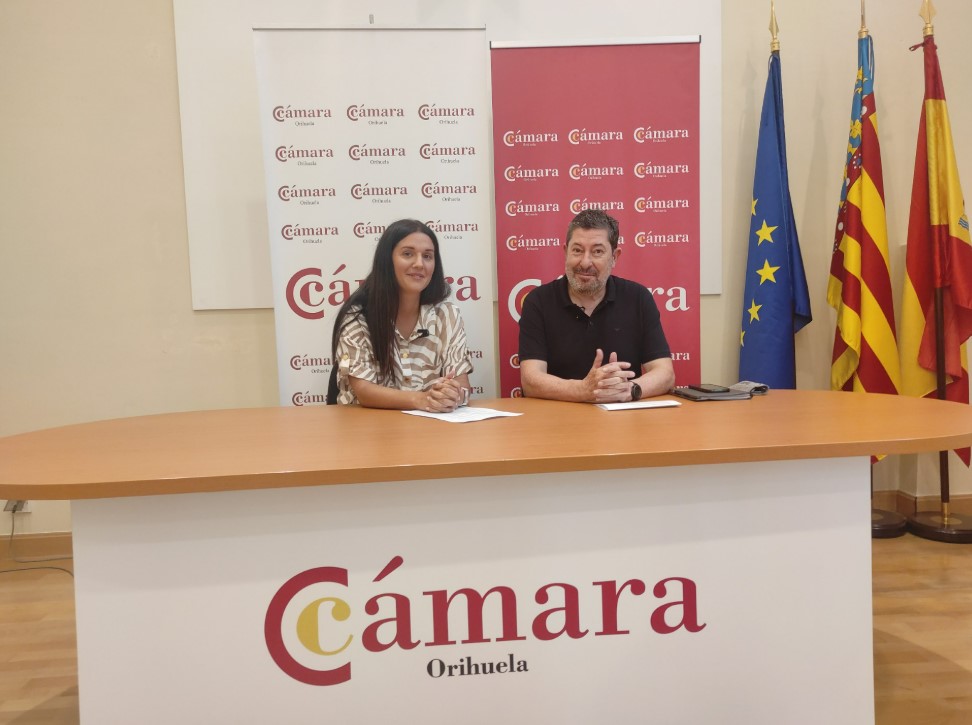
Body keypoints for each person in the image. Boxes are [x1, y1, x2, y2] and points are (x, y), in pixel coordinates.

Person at [518, 208, 675, 403]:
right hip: (558, 416)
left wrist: (629, 390)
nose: (585, 262)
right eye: (577, 250)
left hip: (622, 415)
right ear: (565, 252)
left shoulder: (639, 298)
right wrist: (583, 390)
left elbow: (665, 373)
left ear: (615, 256)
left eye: (597, 252)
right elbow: (530, 380)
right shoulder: (538, 301)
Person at [331, 219, 472, 411]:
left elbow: (462, 384)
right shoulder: (357, 316)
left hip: (430, 425)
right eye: (408, 254)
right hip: (368, 426)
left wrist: (452, 395)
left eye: (428, 256)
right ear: (387, 260)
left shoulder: (446, 314)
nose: (419, 264)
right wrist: (422, 399)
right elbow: (364, 391)